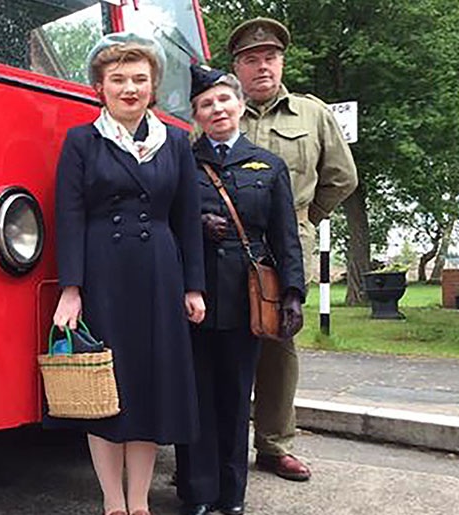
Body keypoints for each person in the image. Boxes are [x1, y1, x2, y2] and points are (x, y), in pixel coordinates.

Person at [48, 32, 207, 515]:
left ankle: (139, 504)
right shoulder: (81, 141)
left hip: (159, 272)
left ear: (153, 85)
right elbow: (69, 216)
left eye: (140, 79)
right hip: (104, 274)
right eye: (118, 79)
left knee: (149, 392)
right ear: (100, 86)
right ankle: (112, 503)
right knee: (107, 393)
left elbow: (187, 221)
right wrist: (70, 289)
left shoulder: (176, 142)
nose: (130, 88)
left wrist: (194, 287)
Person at [229, 17, 359, 481]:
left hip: (287, 249)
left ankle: (273, 445)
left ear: (281, 62)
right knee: (222, 343)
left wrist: (305, 220)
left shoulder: (313, 114)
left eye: (269, 57)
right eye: (250, 59)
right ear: (237, 68)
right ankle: (217, 447)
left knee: (279, 344)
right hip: (226, 248)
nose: (261, 66)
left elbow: (343, 177)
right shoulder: (219, 112)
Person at [174, 65, 305, 515]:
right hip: (192, 292)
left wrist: (292, 294)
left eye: (224, 100)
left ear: (240, 105)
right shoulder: (182, 162)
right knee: (195, 396)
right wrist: (193, 225)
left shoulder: (268, 165)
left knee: (234, 397)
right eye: (206, 104)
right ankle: (196, 492)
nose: (217, 109)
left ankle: (231, 497)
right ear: (196, 114)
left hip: (244, 296)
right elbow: (162, 222)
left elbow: (285, 234)